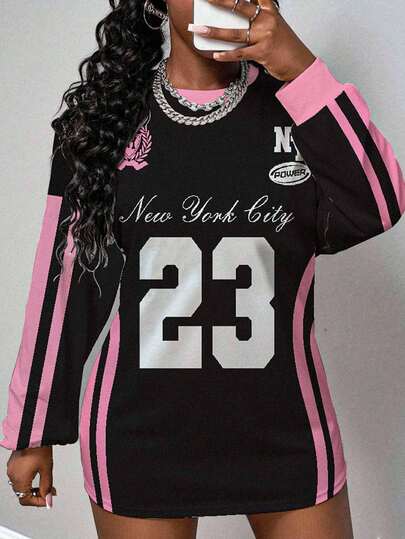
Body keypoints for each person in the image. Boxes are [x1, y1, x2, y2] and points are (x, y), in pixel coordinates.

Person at [1, 0, 404, 537]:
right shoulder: (104, 123)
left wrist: (302, 69)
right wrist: (32, 429)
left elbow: (378, 205)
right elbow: (65, 280)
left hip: (286, 433)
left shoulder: (299, 107)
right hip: (139, 439)